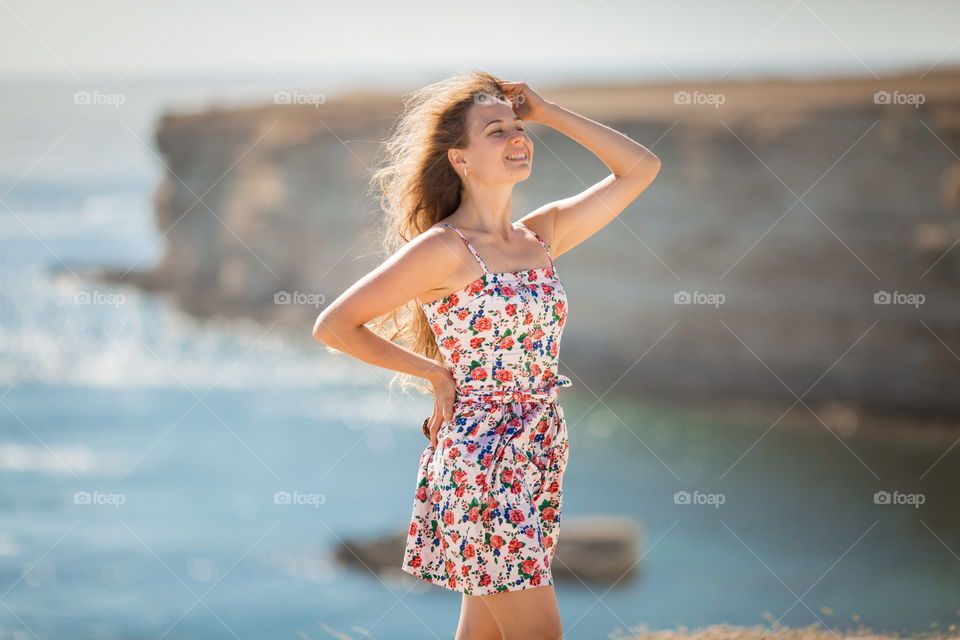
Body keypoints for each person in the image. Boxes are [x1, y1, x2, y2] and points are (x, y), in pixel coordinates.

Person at [312, 70, 661, 640]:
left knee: (485, 633)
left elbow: (641, 168)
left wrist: (549, 112)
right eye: (496, 131)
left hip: (541, 447)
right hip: (482, 461)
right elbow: (335, 325)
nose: (517, 138)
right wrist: (433, 372)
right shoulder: (444, 249)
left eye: (519, 128)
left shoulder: (541, 235)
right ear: (461, 160)